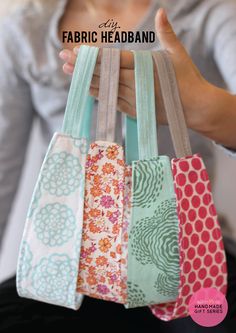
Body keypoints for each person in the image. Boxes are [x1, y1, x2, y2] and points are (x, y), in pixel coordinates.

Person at [0, 0, 236, 331]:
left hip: (187, 259)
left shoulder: (203, 12)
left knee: (213, 319)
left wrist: (206, 111)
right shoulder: (25, 31)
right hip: (70, 258)